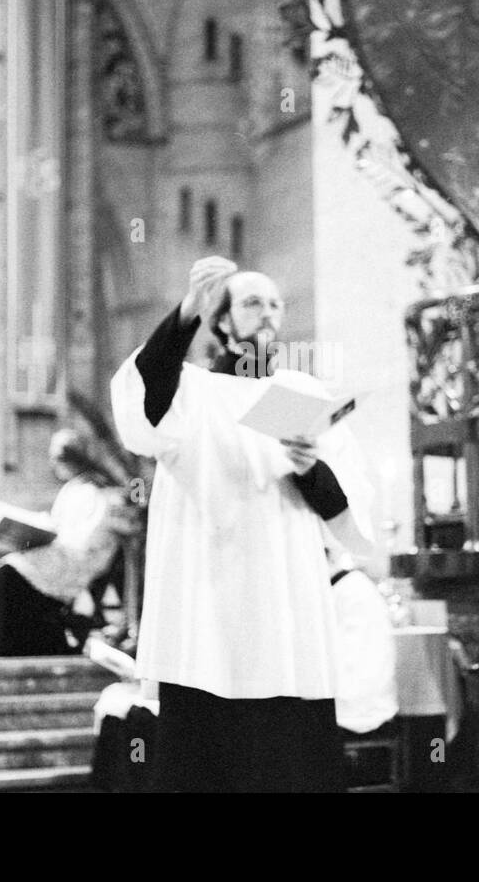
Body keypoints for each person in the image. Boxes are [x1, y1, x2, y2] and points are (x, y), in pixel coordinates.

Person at [110, 256, 375, 792]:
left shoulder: (302, 395)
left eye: (276, 303)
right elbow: (142, 404)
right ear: (223, 321)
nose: (268, 314)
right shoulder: (193, 393)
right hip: (208, 617)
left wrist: (310, 470)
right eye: (253, 302)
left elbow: (349, 518)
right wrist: (185, 312)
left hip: (287, 619)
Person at [0, 431, 135, 657]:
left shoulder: (96, 491)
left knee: (6, 574)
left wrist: (53, 537)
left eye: (55, 458)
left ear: (72, 459)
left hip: (76, 559)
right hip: (59, 552)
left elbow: (91, 538)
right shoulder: (71, 488)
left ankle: (6, 643)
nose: (52, 464)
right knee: (1, 565)